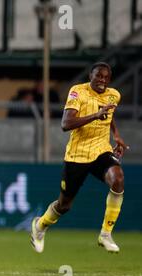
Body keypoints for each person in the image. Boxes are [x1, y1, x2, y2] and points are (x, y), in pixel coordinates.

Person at [30, 62, 129, 254]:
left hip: (101, 151)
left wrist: (116, 135)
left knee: (118, 179)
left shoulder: (114, 95)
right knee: (64, 205)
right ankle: (40, 225)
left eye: (106, 77)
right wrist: (95, 115)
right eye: (98, 76)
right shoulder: (78, 92)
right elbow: (66, 124)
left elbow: (110, 115)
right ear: (90, 76)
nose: (102, 80)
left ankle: (106, 234)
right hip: (77, 155)